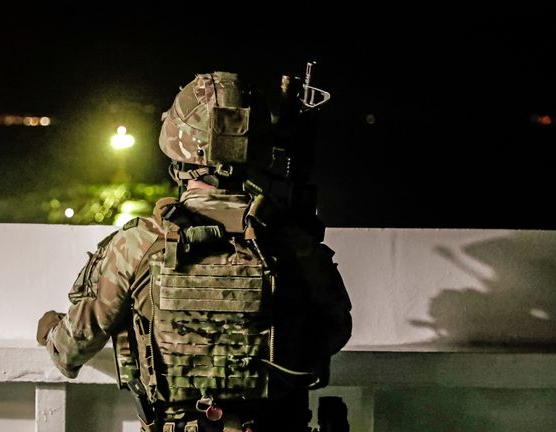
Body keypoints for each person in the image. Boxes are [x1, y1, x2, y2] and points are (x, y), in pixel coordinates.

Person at [37, 71, 352, 432]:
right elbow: (335, 331)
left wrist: (49, 330)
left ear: (177, 146)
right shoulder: (291, 243)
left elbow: (70, 349)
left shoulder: (138, 245)